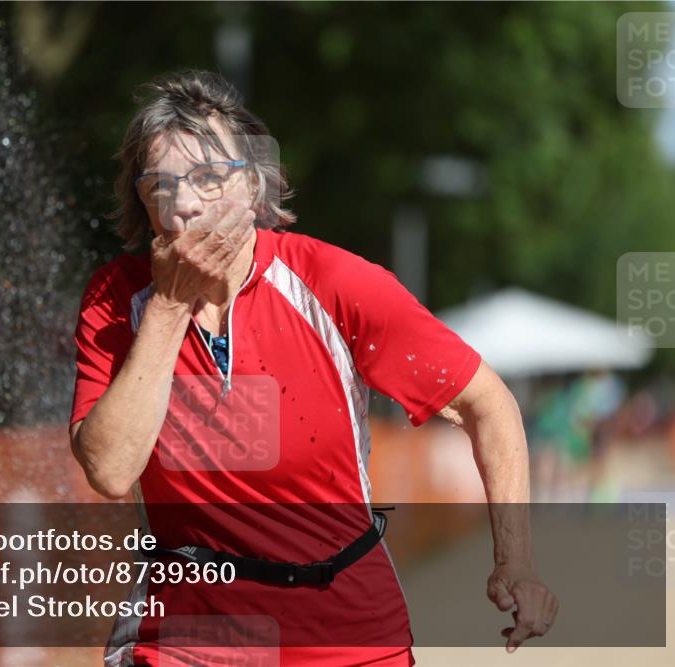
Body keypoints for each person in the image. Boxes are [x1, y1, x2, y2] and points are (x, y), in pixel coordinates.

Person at [69, 69, 557, 667]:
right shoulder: (116, 301)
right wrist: (170, 307)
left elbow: (489, 404)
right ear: (142, 201)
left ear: (252, 188)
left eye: (205, 178)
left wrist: (517, 560)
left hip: (345, 624)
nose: (184, 204)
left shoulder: (333, 284)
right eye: (161, 185)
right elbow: (111, 470)